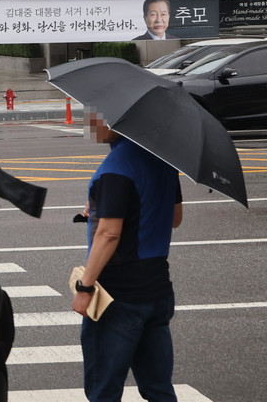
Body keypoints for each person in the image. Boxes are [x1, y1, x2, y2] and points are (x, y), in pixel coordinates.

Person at [73, 112, 183, 402]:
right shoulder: (163, 159)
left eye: (94, 115)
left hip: (119, 295)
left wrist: (85, 287)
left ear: (117, 120)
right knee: (158, 388)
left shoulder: (116, 167)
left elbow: (108, 234)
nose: (89, 122)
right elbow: (175, 218)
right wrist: (108, 204)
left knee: (103, 391)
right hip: (158, 288)